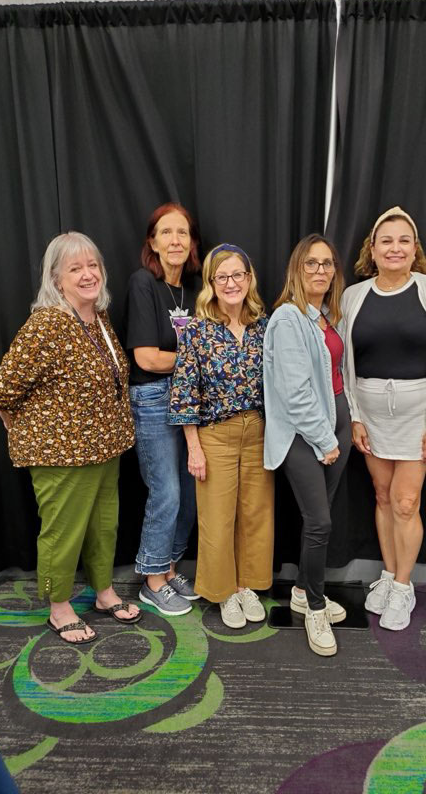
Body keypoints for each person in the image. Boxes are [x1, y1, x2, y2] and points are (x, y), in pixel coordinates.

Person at [0, 232, 139, 644]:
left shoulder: (98, 317)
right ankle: (59, 608)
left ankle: (104, 593)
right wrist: (21, 427)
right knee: (63, 532)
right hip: (62, 456)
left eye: (93, 265)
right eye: (76, 268)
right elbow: (3, 390)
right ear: (56, 279)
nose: (88, 274)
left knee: (104, 527)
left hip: (106, 448)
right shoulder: (48, 323)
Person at [341, 206, 426, 631]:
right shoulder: (352, 297)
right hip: (371, 415)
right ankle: (389, 576)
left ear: (415, 250)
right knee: (384, 496)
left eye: (403, 241)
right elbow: (345, 367)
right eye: (386, 240)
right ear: (372, 249)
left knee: (408, 502)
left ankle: (405, 587)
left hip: (419, 417)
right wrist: (354, 417)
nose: (395, 248)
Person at [168, 243, 274, 629]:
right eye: (222, 276)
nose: (232, 283)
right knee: (216, 516)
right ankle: (224, 592)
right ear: (211, 282)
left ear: (249, 279)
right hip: (215, 433)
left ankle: (248, 586)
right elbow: (183, 391)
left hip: (259, 430)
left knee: (255, 513)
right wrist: (193, 448)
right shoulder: (196, 330)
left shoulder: (266, 325)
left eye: (238, 274)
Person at [264, 234, 351, 657]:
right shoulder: (287, 318)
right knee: (319, 523)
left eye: (328, 263)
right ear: (297, 269)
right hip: (305, 433)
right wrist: (324, 439)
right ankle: (315, 608)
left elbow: (339, 373)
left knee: (321, 520)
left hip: (338, 424)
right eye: (312, 263)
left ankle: (302, 591)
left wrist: (344, 427)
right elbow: (295, 392)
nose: (321, 270)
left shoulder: (326, 316)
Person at [125, 203, 202, 616]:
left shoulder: (191, 290)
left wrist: (191, 362)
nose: (175, 240)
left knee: (190, 492)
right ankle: (151, 580)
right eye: (167, 232)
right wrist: (197, 358)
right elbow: (147, 358)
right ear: (152, 241)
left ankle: (170, 568)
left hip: (189, 400)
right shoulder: (143, 283)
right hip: (153, 398)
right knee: (166, 491)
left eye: (183, 233)